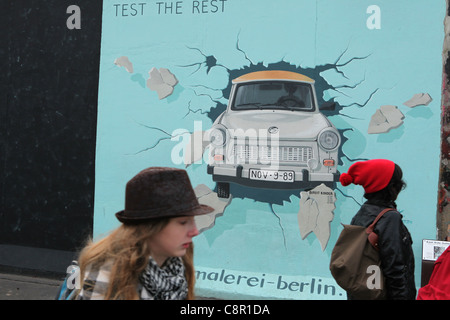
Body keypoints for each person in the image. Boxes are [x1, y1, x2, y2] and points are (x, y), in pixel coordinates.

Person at [76, 167, 214, 300]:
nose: (195, 231)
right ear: (151, 227)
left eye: (193, 220)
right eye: (183, 222)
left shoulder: (176, 264)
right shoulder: (110, 274)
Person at [339, 159, 416, 299]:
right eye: (397, 183)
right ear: (391, 187)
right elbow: (395, 269)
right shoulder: (389, 218)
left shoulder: (362, 213)